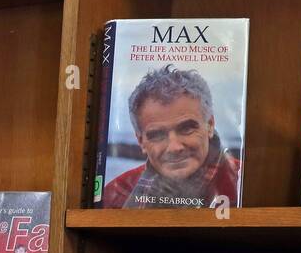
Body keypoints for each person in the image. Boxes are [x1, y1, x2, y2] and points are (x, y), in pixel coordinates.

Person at [101, 64, 241, 208]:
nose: (174, 148)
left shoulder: (247, 185)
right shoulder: (114, 195)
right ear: (141, 141)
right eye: (157, 135)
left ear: (210, 125)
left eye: (186, 129)